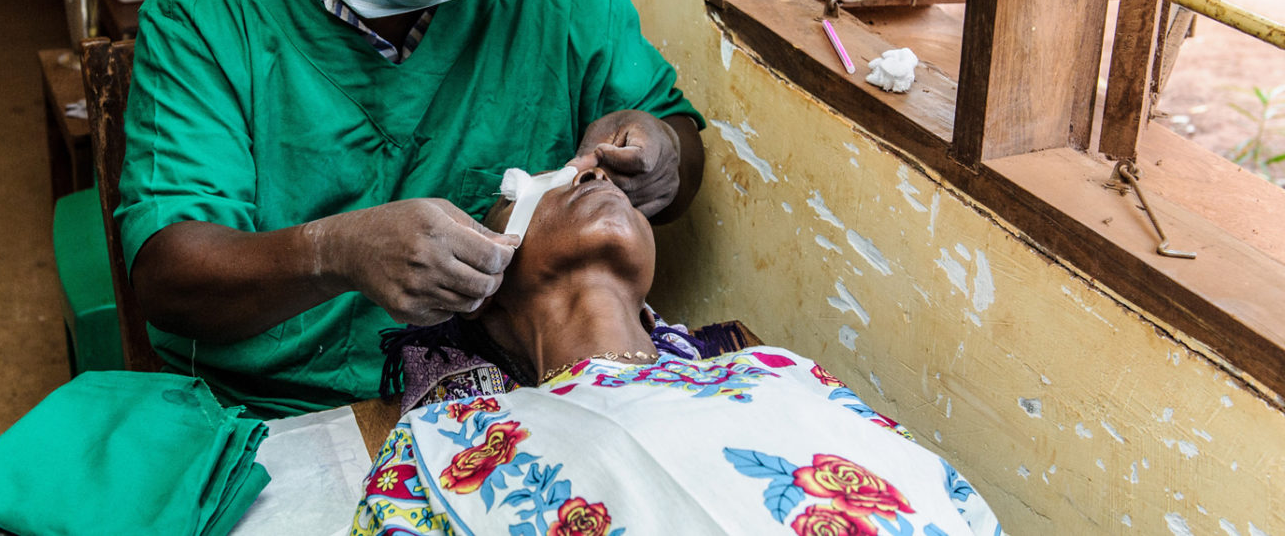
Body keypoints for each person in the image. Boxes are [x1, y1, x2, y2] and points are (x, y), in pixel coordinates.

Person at [114, 0, 705, 418]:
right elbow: (170, 277)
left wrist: (666, 153)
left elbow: (675, 146)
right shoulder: (210, 3)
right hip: (277, 411)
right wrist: (331, 253)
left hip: (502, 396)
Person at [350, 167, 1002, 535]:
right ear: (480, 284)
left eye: (593, 173)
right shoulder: (444, 443)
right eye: (537, 180)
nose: (592, 171)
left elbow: (960, 505)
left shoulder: (778, 370)